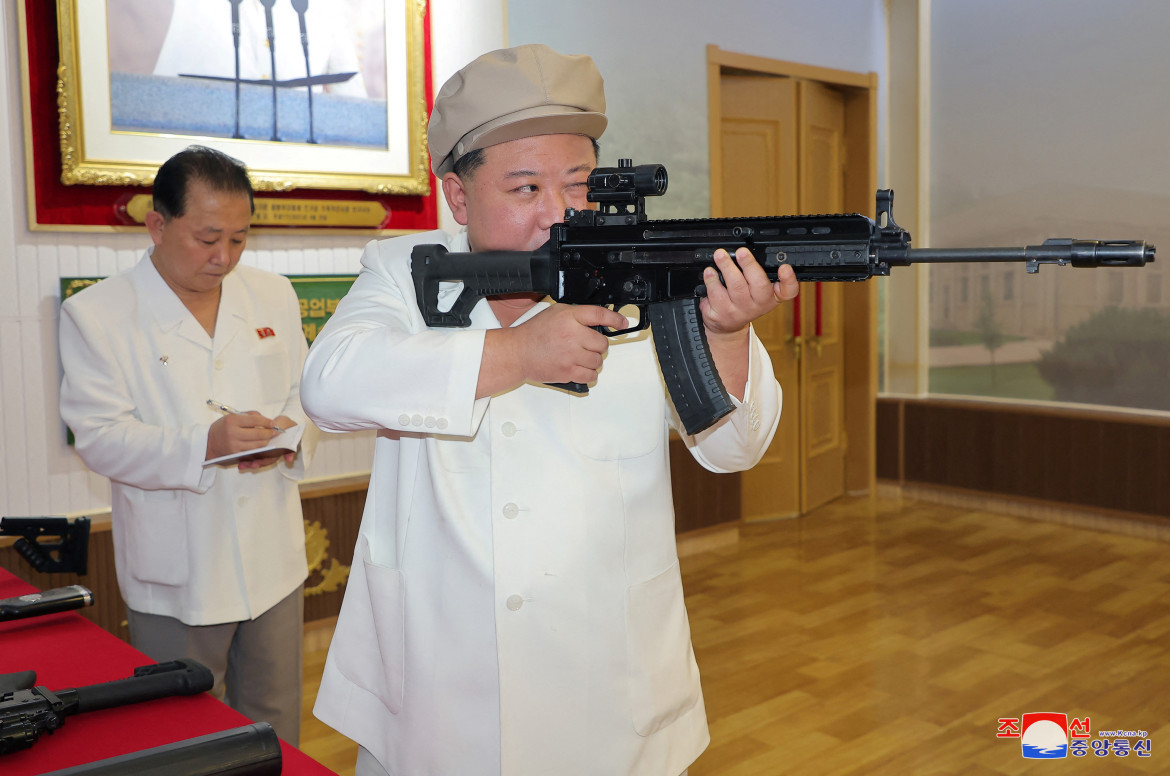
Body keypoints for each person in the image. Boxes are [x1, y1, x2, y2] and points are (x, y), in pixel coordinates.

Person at [300, 44, 799, 776]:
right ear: (459, 198)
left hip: (609, 686)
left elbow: (734, 452)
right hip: (436, 692)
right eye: (526, 187)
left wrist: (726, 331)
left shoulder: (644, 279)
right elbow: (329, 386)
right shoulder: (402, 272)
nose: (560, 211)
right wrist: (517, 355)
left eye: (578, 184)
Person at [58, 146, 315, 745]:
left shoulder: (273, 294)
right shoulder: (97, 314)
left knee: (277, 726)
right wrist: (204, 444)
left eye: (239, 239)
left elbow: (306, 396)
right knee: (187, 736)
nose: (223, 258)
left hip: (272, 553)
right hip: (180, 566)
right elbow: (100, 438)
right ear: (157, 223)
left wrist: (285, 435)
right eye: (207, 239)